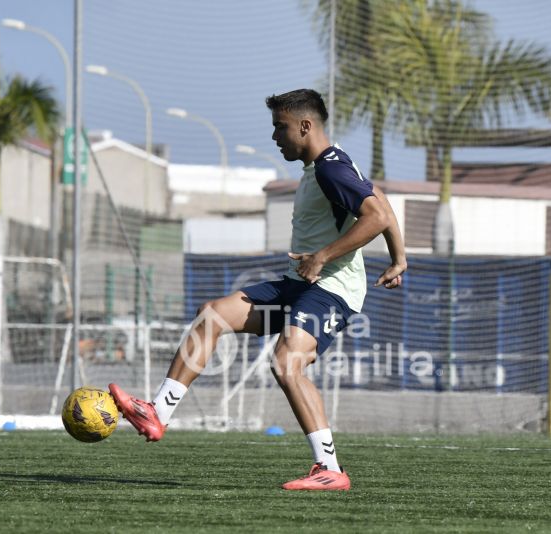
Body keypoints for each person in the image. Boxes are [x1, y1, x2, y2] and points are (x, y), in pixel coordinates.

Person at [109, 88, 406, 491]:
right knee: (213, 315)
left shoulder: (330, 169)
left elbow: (376, 215)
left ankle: (330, 469)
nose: (275, 136)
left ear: (305, 126)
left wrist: (322, 256)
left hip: (331, 290)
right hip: (299, 285)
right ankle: (158, 412)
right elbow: (380, 202)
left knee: (287, 362)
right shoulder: (329, 164)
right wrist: (398, 259)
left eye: (281, 128)